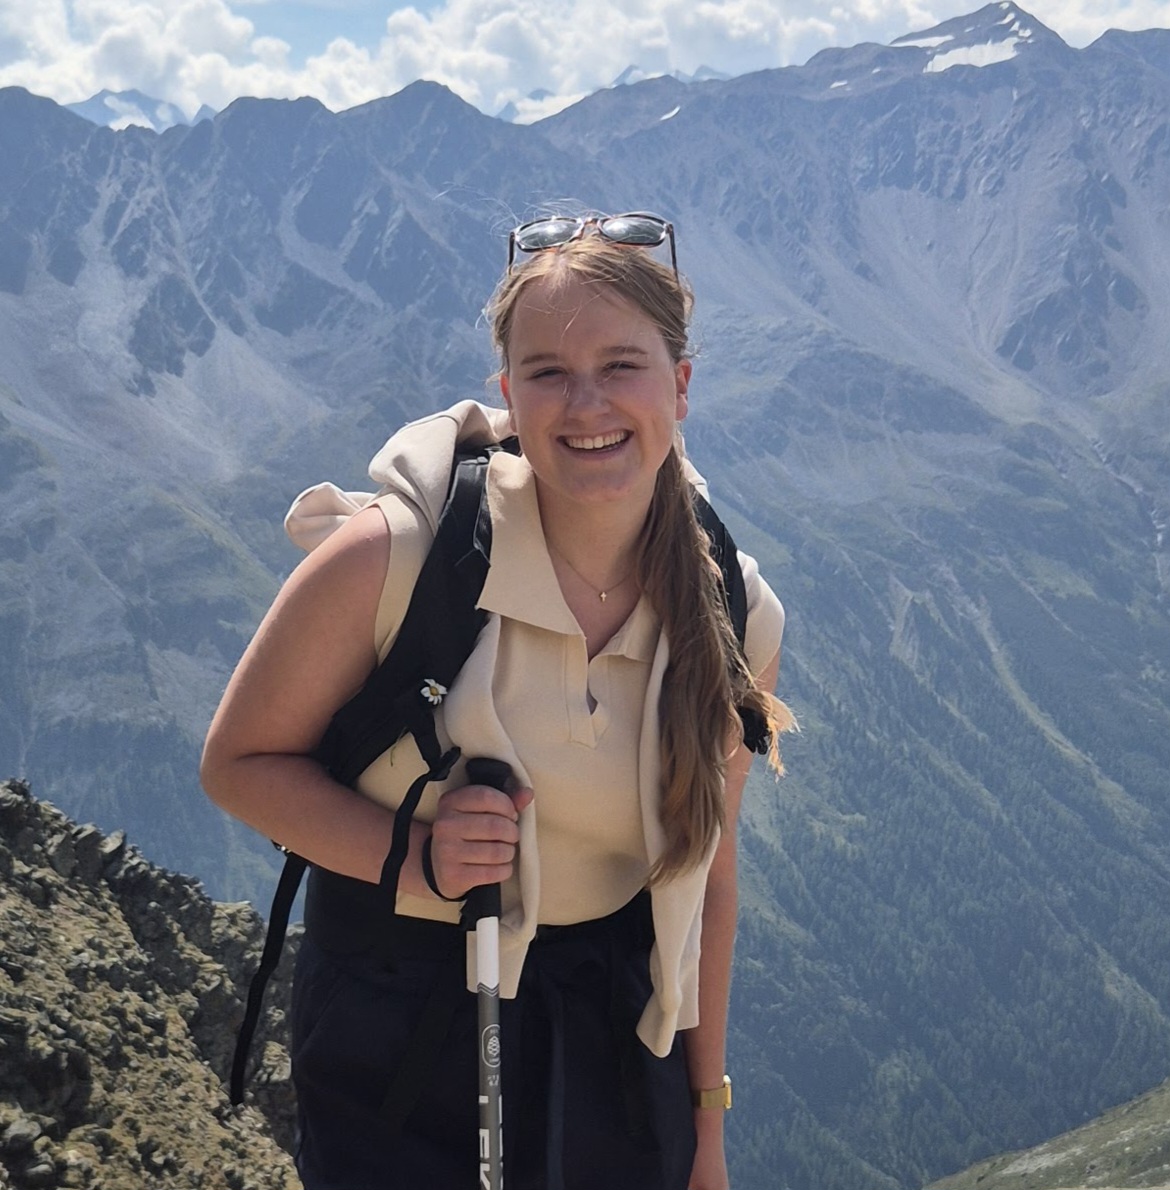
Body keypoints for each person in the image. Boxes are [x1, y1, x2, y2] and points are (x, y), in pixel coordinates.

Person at [201, 211, 792, 1190]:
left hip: (621, 1050)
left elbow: (708, 879)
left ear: (681, 384)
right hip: (401, 1045)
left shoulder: (734, 611)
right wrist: (418, 856)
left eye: (622, 364)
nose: (586, 403)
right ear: (508, 391)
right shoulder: (395, 556)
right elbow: (238, 764)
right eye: (548, 371)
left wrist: (706, 1129)